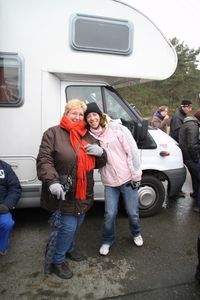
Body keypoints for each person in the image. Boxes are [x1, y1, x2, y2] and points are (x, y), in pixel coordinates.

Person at [36, 99, 107, 279]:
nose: (77, 117)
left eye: (80, 114)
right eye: (73, 113)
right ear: (66, 114)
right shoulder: (52, 133)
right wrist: (52, 182)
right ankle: (56, 260)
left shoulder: (87, 135)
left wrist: (101, 154)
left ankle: (68, 248)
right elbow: (44, 160)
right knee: (67, 227)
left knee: (78, 222)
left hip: (83, 191)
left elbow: (98, 162)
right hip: (64, 191)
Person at [84, 102, 143, 256]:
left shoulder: (117, 129)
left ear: (100, 115)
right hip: (109, 181)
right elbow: (92, 163)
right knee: (110, 213)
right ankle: (107, 240)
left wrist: (136, 175)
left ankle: (136, 233)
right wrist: (99, 153)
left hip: (127, 178)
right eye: (88, 116)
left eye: (94, 114)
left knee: (132, 212)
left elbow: (132, 151)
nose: (92, 118)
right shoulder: (88, 137)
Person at [169, 99, 193, 197]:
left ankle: (177, 189)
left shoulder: (182, 116)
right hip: (177, 147)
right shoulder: (177, 117)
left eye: (191, 107)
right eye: (188, 107)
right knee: (177, 169)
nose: (190, 109)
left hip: (180, 146)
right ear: (183, 107)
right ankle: (174, 190)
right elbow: (178, 134)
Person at [179, 109, 200, 212]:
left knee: (196, 178)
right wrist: (196, 157)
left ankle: (196, 195)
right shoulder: (193, 126)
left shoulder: (187, 123)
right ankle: (198, 205)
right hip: (191, 157)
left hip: (187, 156)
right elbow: (192, 145)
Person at [0, 159, 21, 255]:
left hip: (1, 207)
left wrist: (6, 205)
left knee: (7, 223)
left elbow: (15, 188)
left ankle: (2, 246)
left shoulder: (4, 167)